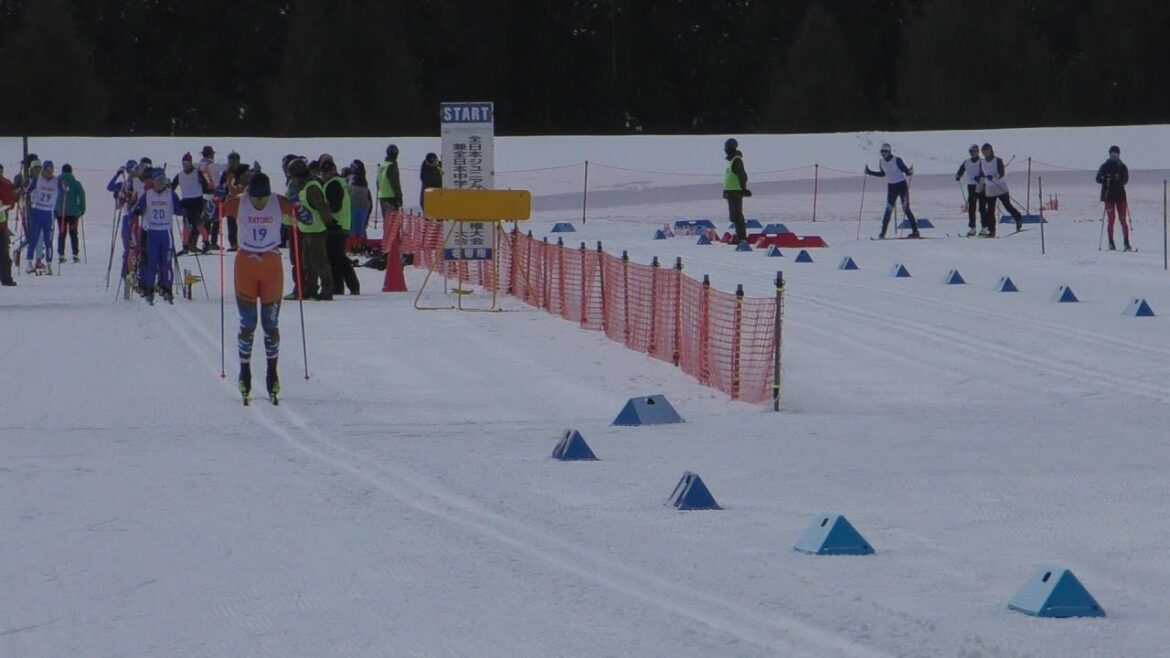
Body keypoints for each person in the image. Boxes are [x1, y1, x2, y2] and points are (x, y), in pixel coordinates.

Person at [220, 173, 295, 403]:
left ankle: (272, 372)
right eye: (256, 198)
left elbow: (307, 219)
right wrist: (216, 202)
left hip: (271, 265)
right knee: (248, 323)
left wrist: (300, 209)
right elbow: (212, 214)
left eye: (263, 198)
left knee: (270, 324)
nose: (260, 203)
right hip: (246, 265)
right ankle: (245, 371)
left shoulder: (278, 201)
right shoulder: (239, 202)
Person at [130, 168, 182, 304]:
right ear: (153, 181)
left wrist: (188, 208)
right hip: (152, 232)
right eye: (158, 180)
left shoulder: (171, 195)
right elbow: (136, 209)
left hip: (166, 232)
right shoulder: (148, 194)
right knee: (151, 263)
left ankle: (167, 289)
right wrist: (136, 211)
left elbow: (179, 210)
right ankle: (149, 289)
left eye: (162, 180)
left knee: (166, 263)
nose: (160, 183)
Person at [286, 158, 334, 300]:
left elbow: (322, 206)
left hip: (316, 230)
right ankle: (311, 288)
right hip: (307, 230)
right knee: (308, 263)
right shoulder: (305, 185)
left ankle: (327, 290)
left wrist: (329, 222)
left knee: (319, 262)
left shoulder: (312, 187)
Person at [320, 157, 359, 295]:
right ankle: (348, 285)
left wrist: (325, 212)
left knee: (336, 259)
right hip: (342, 224)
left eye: (325, 173)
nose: (324, 175)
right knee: (339, 258)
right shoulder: (340, 182)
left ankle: (342, 286)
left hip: (335, 225)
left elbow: (335, 206)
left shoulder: (333, 184)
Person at [865, 143, 919, 239]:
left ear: (889, 152)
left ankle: (915, 232)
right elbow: (882, 174)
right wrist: (869, 172)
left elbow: (906, 171)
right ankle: (882, 233)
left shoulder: (897, 160)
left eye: (885, 152)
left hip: (902, 186)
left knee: (906, 209)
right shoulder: (881, 162)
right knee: (888, 211)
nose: (883, 154)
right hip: (891, 188)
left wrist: (910, 172)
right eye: (882, 152)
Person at [26, 160, 63, 274]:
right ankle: (29, 263)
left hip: (49, 214)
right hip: (38, 212)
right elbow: (27, 190)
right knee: (34, 238)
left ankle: (49, 265)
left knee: (48, 240)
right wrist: (25, 191)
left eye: (51, 170)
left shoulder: (56, 181)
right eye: (47, 170)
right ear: (44, 170)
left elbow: (65, 190)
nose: (49, 172)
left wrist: (65, 187)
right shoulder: (37, 180)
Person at [978, 143, 1022, 237]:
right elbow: (982, 174)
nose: (985, 153)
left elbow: (1001, 173)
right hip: (989, 188)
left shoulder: (998, 160)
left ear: (991, 151)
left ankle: (1018, 217)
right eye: (984, 151)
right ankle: (992, 231)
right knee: (990, 211)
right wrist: (979, 184)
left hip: (1000, 186)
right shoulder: (982, 162)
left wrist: (993, 177)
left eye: (987, 151)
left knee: (1007, 206)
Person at [173, 152, 213, 255]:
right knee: (186, 225)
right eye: (184, 164)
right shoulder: (180, 175)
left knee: (198, 224)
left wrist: (203, 180)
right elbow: (172, 187)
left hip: (197, 202)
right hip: (186, 202)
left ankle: (206, 243)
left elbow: (205, 185)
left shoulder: (197, 173)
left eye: (187, 163)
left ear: (191, 163)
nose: (185, 166)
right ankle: (185, 246)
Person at [1096, 145, 1131, 251]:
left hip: (1120, 196)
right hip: (1109, 197)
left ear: (1119, 154)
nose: (1114, 155)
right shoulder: (1104, 166)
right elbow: (1098, 179)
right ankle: (1111, 242)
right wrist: (1106, 178)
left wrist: (1116, 179)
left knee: (1123, 219)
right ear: (1109, 154)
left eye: (1116, 154)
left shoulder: (1122, 166)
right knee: (1111, 219)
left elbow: (1125, 180)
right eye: (1112, 154)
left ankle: (1126, 243)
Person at [55, 164, 86, 263]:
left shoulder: (57, 182)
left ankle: (61, 254)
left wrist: (54, 209)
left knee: (62, 233)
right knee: (73, 233)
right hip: (73, 213)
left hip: (61, 212)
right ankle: (75, 254)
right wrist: (81, 209)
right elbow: (82, 196)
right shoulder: (76, 183)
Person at [722, 138, 750, 243]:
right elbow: (730, 178)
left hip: (735, 191)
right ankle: (739, 235)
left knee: (737, 215)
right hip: (731, 191)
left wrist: (743, 189)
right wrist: (726, 191)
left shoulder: (736, 160)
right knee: (733, 216)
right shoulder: (732, 161)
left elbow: (742, 175)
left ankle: (741, 237)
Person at [955, 144, 983, 237]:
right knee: (971, 208)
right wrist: (958, 175)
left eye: (974, 151)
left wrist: (980, 177)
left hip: (981, 186)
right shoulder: (966, 162)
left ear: (978, 152)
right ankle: (972, 228)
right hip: (971, 186)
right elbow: (961, 170)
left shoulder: (982, 162)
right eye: (970, 151)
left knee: (982, 208)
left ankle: (984, 227)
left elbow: (985, 172)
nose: (972, 153)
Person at [347, 159, 373, 246]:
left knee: (353, 227)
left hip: (353, 205)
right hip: (363, 205)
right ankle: (361, 245)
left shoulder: (351, 179)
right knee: (361, 228)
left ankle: (353, 245)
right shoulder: (364, 182)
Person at [0, 164, 16, 286]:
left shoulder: (5, 184)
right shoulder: (5, 184)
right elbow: (10, 203)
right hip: (2, 226)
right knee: (4, 254)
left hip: (2, 226)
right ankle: (6, 279)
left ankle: (6, 278)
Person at [377, 144, 403, 218]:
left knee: (387, 221)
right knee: (393, 222)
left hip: (382, 197)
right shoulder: (391, 166)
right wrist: (399, 198)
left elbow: (377, 183)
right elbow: (395, 183)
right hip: (391, 197)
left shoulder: (382, 166)